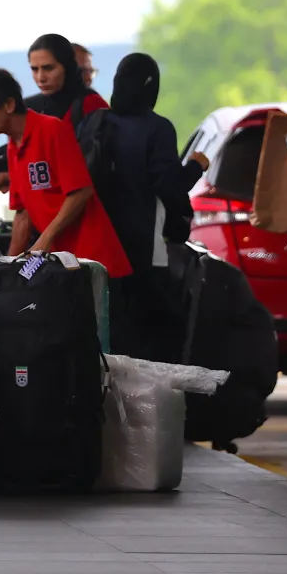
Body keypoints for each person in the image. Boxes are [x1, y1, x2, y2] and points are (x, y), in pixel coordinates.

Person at [0, 67, 132, 278]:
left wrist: (44, 239)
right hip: (63, 267)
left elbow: (81, 192)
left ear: (9, 105)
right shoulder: (13, 146)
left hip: (94, 262)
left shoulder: (51, 129)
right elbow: (23, 213)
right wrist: (7, 266)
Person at [107, 53, 209, 356]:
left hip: (103, 240)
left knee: (116, 319)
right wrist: (196, 166)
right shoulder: (157, 128)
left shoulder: (98, 123)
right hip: (144, 240)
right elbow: (169, 185)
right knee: (157, 323)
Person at [24, 33, 108, 128]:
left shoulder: (91, 104)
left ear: (68, 68)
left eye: (48, 68)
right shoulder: (28, 109)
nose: (40, 78)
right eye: (34, 69)